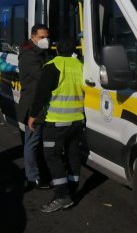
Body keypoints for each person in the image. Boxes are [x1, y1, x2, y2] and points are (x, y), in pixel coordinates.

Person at [28, 38, 84, 213]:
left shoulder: (52, 66)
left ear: (57, 49)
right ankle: (72, 186)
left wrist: (32, 115)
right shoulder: (80, 64)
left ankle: (62, 196)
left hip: (57, 121)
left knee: (52, 156)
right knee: (73, 153)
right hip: (77, 120)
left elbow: (41, 94)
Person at [18, 24, 51, 190]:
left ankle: (40, 172)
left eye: (47, 37)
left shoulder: (40, 51)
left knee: (38, 142)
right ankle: (33, 177)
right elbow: (42, 76)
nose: (45, 40)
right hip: (33, 105)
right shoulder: (29, 55)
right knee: (31, 142)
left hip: (40, 103)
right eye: (42, 37)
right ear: (33, 37)